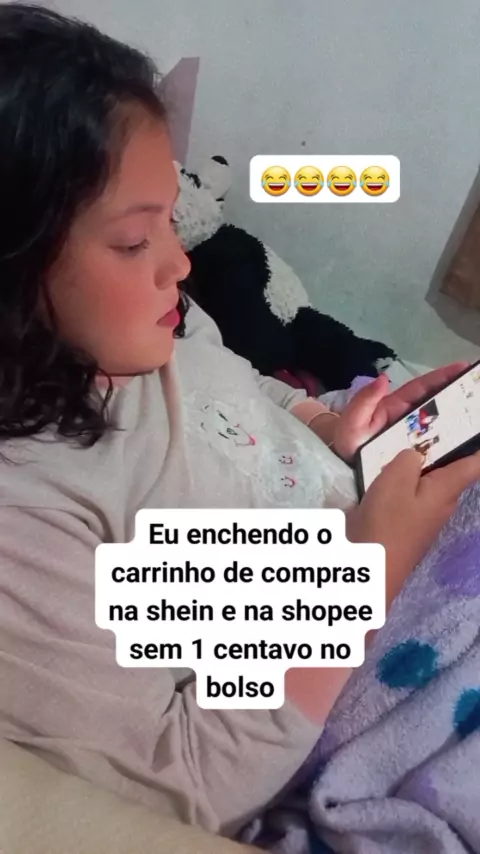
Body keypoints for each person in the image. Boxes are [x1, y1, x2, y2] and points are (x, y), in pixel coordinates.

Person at [0, 2, 479, 839]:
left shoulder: (150, 328)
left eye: (170, 218)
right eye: (133, 241)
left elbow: (241, 387)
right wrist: (370, 566)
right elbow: (181, 786)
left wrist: (330, 425)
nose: (180, 263)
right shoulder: (28, 517)